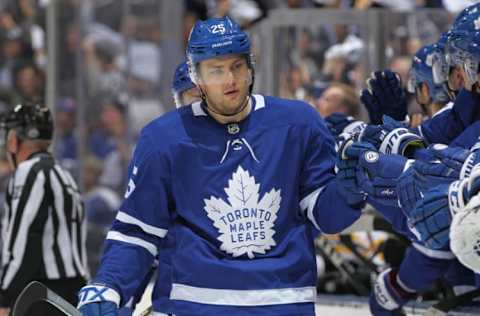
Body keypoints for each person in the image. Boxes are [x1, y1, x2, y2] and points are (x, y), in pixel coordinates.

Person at [77, 16, 362, 316]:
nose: (230, 80)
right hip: (192, 307)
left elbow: (328, 218)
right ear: (196, 76)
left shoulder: (299, 124)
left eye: (237, 66)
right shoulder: (163, 138)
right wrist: (110, 285)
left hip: (280, 304)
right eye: (216, 70)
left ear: (250, 67)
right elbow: (138, 232)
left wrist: (350, 189)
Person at [0, 103, 88, 316]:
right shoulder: (63, 175)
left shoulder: (28, 173)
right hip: (74, 292)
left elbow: (23, 241)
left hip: (38, 296)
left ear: (13, 140)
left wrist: (5, 297)